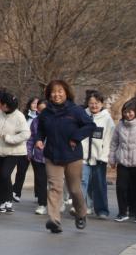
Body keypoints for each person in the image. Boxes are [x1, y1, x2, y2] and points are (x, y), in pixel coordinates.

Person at [35, 80, 95, 233]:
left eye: (60, 91)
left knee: (74, 189)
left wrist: (76, 138)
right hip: (52, 155)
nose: (56, 94)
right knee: (54, 187)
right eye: (53, 92)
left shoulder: (75, 110)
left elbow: (90, 126)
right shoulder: (46, 113)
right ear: (49, 95)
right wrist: (39, 140)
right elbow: (40, 130)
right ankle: (54, 220)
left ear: (66, 93)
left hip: (72, 155)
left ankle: (81, 213)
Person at [109, 100, 136, 224]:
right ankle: (122, 212)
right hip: (123, 162)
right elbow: (114, 143)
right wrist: (112, 159)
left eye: (130, 112)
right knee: (121, 188)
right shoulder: (120, 125)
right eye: (125, 112)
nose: (128, 114)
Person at [0, 91, 30, 214]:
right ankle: (2, 201)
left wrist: (9, 138)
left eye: (6, 106)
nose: (3, 107)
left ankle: (8, 199)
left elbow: (26, 134)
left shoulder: (19, 116)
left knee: (5, 174)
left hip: (13, 152)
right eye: (3, 105)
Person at [80, 91, 114, 219]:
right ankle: (81, 208)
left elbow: (109, 139)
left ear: (102, 104)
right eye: (91, 103)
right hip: (83, 157)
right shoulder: (83, 116)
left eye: (97, 103)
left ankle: (102, 210)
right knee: (82, 182)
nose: (94, 106)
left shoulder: (107, 119)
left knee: (99, 184)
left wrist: (104, 156)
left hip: (99, 157)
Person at [12, 97, 39, 202]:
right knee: (21, 171)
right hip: (24, 148)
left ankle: (39, 194)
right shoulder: (24, 117)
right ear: (29, 104)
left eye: (37, 103)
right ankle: (16, 192)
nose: (35, 105)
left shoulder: (42, 117)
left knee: (39, 173)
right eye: (33, 103)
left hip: (37, 149)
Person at [27, 100, 49, 215]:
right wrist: (29, 152)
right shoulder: (35, 121)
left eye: (43, 109)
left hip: (53, 157)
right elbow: (31, 138)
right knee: (41, 181)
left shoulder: (56, 120)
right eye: (39, 110)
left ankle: (57, 202)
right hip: (39, 156)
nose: (41, 112)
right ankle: (42, 204)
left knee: (54, 182)